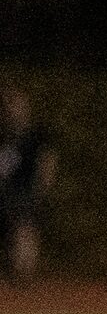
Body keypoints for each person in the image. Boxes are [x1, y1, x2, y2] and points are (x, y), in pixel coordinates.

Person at [0, 87, 54, 282]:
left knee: (26, 231)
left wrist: (43, 186)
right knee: (15, 232)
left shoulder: (35, 134)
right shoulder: (6, 135)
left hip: (28, 190)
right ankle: (18, 273)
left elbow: (47, 159)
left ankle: (24, 274)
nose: (14, 111)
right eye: (11, 107)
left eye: (18, 106)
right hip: (9, 192)